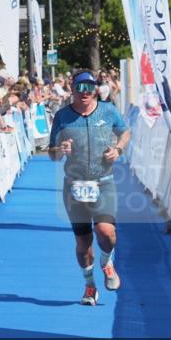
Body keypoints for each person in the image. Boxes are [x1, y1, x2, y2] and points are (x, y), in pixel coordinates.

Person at [48, 71, 130, 306]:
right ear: (71, 89)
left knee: (106, 233)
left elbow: (125, 132)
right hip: (74, 187)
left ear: (95, 89)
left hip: (103, 182)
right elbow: (52, 154)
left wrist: (119, 149)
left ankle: (106, 262)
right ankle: (90, 286)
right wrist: (59, 149)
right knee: (83, 243)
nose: (84, 93)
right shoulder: (63, 116)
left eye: (88, 88)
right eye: (79, 88)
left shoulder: (108, 110)